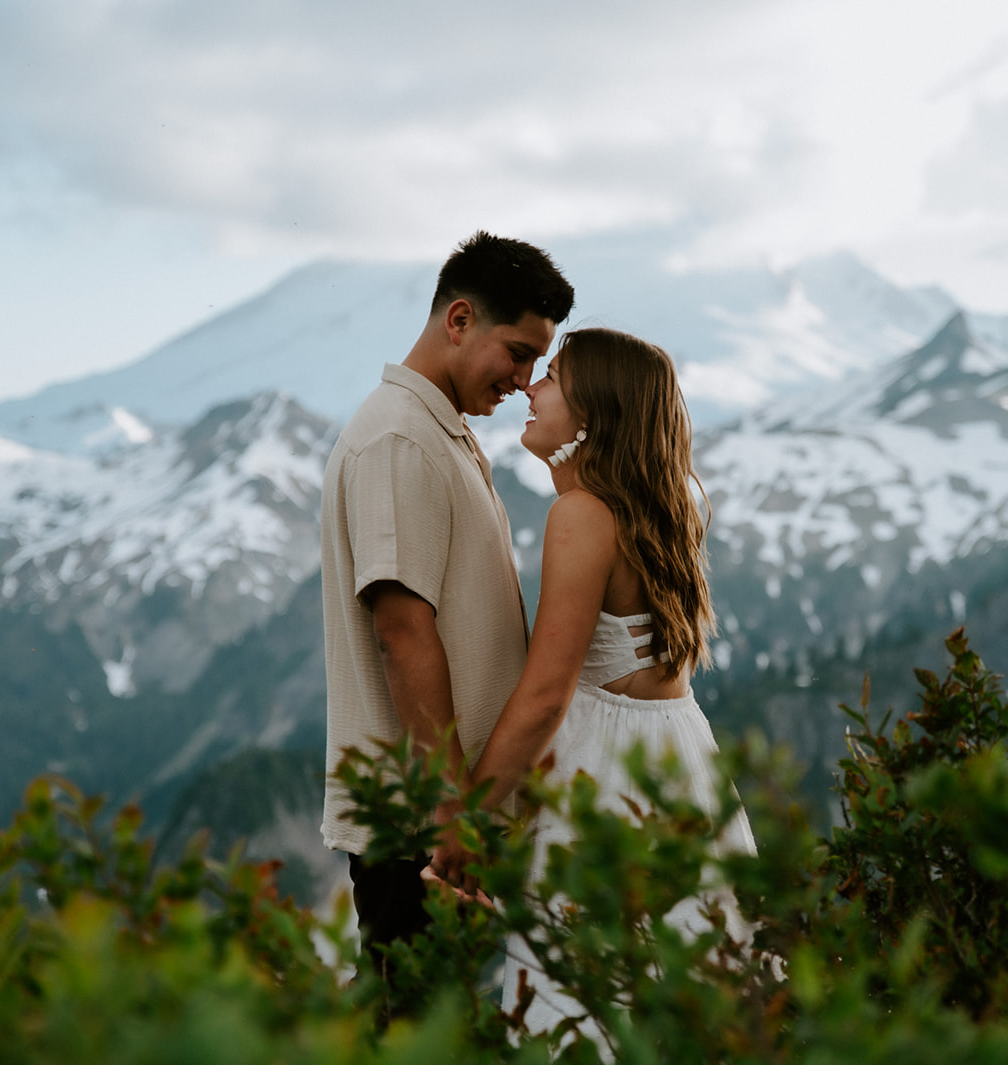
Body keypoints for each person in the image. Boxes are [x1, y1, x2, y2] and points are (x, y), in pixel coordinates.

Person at [429, 326, 757, 1039]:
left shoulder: (581, 515)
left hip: (606, 776)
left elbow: (547, 694)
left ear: (592, 413)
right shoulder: (658, 512)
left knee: (583, 1004)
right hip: (680, 760)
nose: (531, 386)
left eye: (553, 376)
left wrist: (468, 814)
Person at [319, 231, 575, 976]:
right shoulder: (400, 438)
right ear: (458, 320)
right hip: (420, 836)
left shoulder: (441, 430)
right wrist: (451, 813)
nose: (526, 379)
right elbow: (403, 630)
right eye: (519, 352)